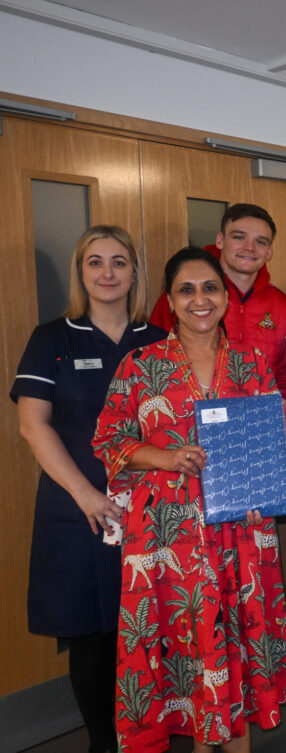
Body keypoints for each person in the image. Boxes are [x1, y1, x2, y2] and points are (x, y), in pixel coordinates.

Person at [93, 247, 286, 753]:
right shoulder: (140, 365)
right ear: (170, 299)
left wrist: (264, 492)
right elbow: (109, 440)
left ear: (225, 296)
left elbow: (271, 441)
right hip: (168, 537)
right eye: (186, 290)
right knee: (188, 644)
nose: (199, 299)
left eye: (210, 288)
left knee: (237, 649)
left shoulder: (251, 363)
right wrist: (163, 457)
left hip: (241, 530)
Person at [11, 226, 165, 753]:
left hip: (153, 508)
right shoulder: (52, 339)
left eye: (119, 261)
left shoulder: (159, 340)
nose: (107, 273)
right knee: (93, 635)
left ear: (134, 273)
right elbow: (33, 425)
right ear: (81, 272)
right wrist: (85, 494)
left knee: (152, 626)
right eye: (95, 262)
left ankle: (152, 735)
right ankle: (106, 742)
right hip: (79, 508)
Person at [150, 203, 286, 417]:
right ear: (220, 240)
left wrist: (282, 398)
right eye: (239, 237)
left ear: (269, 251)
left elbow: (284, 367)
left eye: (260, 241)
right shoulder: (187, 297)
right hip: (187, 417)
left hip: (256, 420)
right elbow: (154, 358)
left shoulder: (279, 303)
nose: (249, 247)